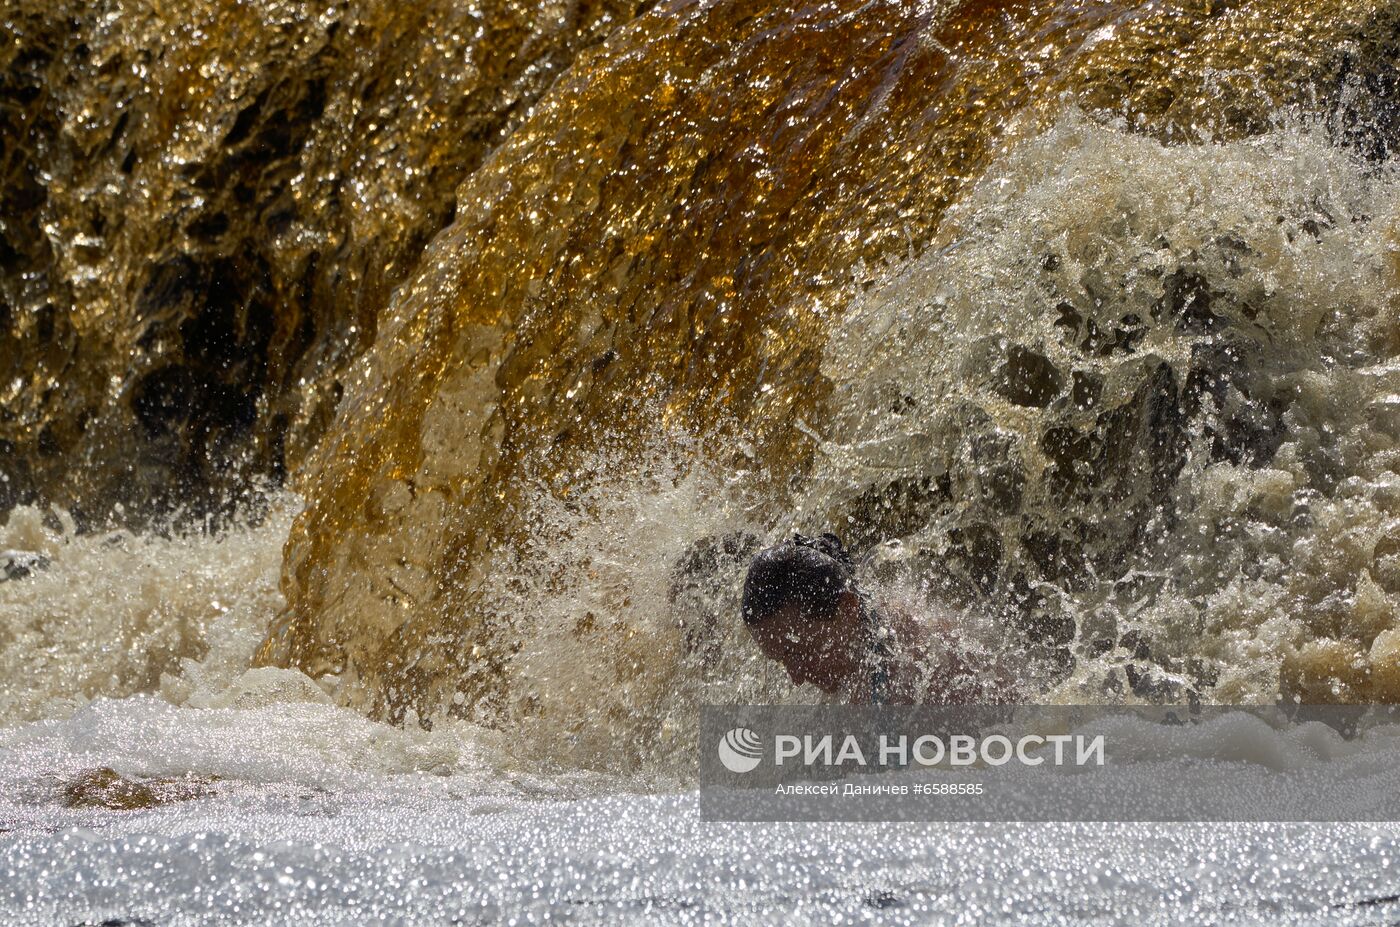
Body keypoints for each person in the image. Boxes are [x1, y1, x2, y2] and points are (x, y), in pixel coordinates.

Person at [741, 533, 1002, 705]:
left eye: (797, 652)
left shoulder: (936, 672)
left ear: (848, 608)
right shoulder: (863, 655)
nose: (795, 677)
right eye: (782, 661)